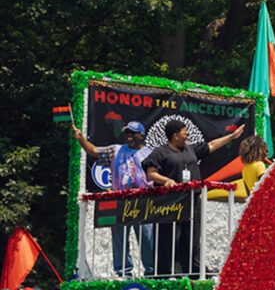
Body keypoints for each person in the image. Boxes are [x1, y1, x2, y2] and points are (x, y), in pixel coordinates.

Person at [143, 118, 245, 276]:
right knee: (170, 237)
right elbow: (151, 174)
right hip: (171, 202)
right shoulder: (160, 152)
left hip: (192, 200)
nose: (188, 136)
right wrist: (167, 181)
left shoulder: (190, 150)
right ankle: (168, 272)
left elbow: (211, 145)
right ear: (175, 135)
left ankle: (193, 270)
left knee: (192, 237)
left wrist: (231, 137)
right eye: (185, 133)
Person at [71, 120, 155, 276]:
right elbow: (94, 151)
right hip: (120, 200)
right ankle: (123, 273)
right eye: (127, 132)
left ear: (141, 135)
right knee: (119, 239)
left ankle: (151, 272)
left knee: (146, 238)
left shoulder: (151, 153)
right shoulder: (116, 150)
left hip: (143, 201)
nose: (128, 135)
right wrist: (80, 138)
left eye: (132, 132)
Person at [206, 135, 268, 201]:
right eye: (266, 151)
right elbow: (264, 187)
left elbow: (249, 194)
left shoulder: (245, 169)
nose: (267, 154)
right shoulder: (259, 165)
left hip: (254, 202)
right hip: (263, 201)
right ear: (259, 150)